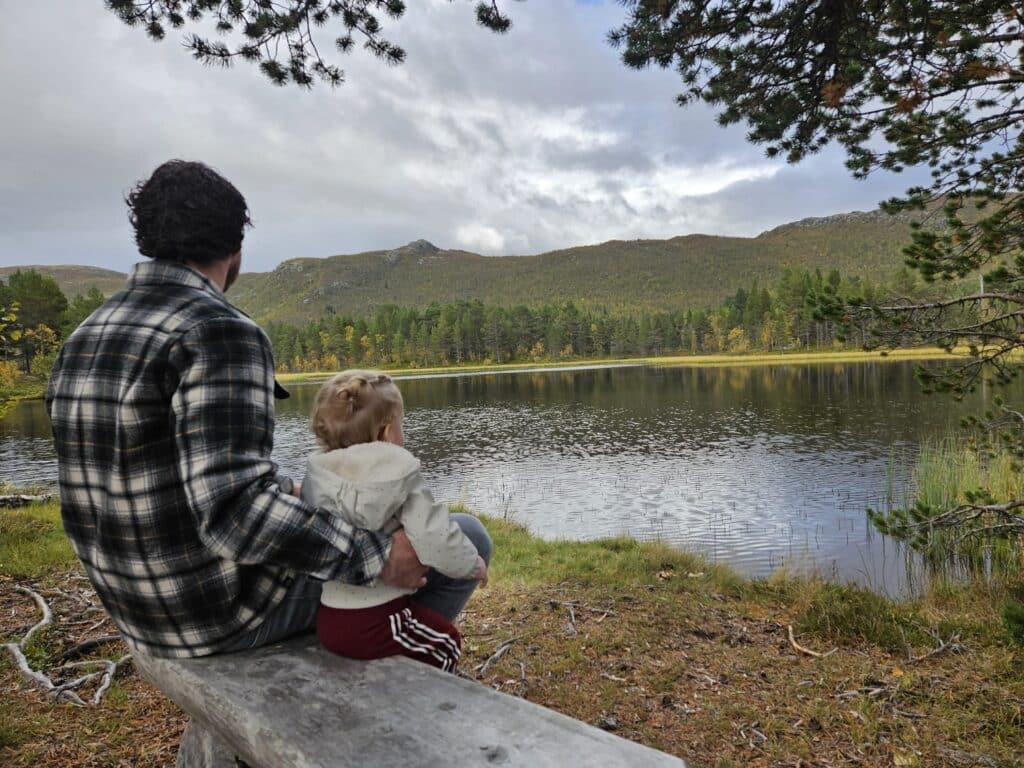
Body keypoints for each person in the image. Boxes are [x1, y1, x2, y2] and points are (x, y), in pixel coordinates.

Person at [45, 160, 434, 658]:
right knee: (454, 540)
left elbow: (175, 475)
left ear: (147, 237)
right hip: (216, 614)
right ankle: (393, 697)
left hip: (135, 612)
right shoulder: (220, 330)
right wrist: (377, 556)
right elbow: (234, 514)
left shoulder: (86, 334)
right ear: (236, 251)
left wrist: (296, 490)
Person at [305, 370, 490, 672]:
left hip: (330, 618)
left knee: (418, 641)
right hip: (376, 618)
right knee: (446, 642)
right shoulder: (399, 473)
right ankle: (433, 706)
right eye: (402, 425)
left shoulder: (319, 476)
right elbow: (437, 538)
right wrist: (473, 565)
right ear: (387, 432)